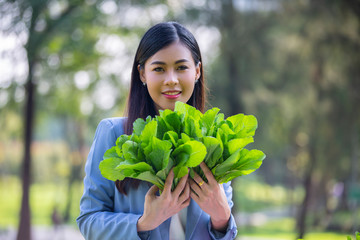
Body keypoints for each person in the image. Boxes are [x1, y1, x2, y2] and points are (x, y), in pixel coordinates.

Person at [76, 22, 238, 240]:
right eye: (159, 69)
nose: (171, 79)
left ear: (197, 71)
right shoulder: (113, 134)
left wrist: (221, 217)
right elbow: (89, 221)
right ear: (142, 74)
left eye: (181, 67)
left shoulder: (213, 139)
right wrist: (144, 223)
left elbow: (224, 233)